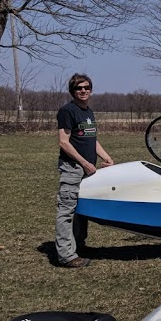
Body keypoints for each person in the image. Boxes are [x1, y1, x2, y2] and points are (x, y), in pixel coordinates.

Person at [55, 73, 113, 268]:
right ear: (72, 91)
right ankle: (66, 255)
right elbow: (64, 143)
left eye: (86, 87)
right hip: (72, 168)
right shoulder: (67, 111)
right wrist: (84, 163)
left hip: (88, 169)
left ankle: (78, 245)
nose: (83, 91)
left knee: (82, 209)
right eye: (79, 88)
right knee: (67, 210)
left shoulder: (88, 111)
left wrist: (105, 156)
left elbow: (91, 139)